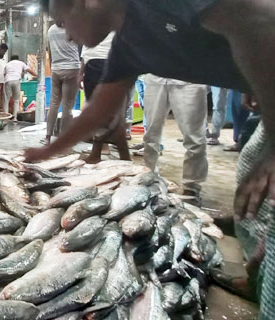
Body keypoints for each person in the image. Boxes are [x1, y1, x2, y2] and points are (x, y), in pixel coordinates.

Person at [23, 0, 275, 314]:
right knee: (253, 177)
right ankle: (258, 269)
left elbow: (258, 17)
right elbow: (99, 109)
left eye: (63, 23)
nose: (69, 37)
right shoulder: (127, 43)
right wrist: (47, 151)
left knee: (267, 185)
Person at [144, 75, 209, 205]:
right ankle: (148, 176)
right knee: (151, 135)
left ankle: (192, 186)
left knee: (194, 138)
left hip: (190, 78)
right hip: (156, 76)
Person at [80, 32, 130, 164]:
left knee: (109, 114)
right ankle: (99, 152)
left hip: (108, 61)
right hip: (92, 63)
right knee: (99, 113)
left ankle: (122, 155)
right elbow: (86, 47)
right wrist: (81, 70)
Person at [44, 22, 81, 145]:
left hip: (56, 70)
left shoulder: (51, 30)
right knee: (67, 107)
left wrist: (53, 68)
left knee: (53, 104)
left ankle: (47, 138)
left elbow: (49, 51)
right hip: (72, 69)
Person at [2, 55, 37, 120]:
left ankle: (5, 117)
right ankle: (15, 117)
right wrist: (37, 75)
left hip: (8, 80)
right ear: (18, 59)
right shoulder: (21, 63)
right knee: (16, 100)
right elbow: (29, 70)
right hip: (16, 80)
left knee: (6, 100)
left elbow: (4, 74)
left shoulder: (7, 64)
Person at [0, 43, 8, 109]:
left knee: (2, 95)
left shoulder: (4, 58)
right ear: (0, 49)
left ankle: (0, 108)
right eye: (3, 51)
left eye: (5, 52)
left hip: (3, 79)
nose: (4, 53)